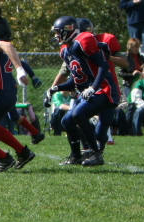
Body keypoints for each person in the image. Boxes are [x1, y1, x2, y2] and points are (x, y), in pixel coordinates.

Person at [49, 15, 120, 167]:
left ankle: (95, 153)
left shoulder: (83, 41)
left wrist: (93, 87)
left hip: (105, 89)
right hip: (92, 90)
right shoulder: (66, 50)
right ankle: (76, 156)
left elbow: (104, 65)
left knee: (78, 114)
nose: (56, 36)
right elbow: (77, 79)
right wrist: (56, 88)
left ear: (69, 31)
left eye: (58, 32)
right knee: (66, 121)